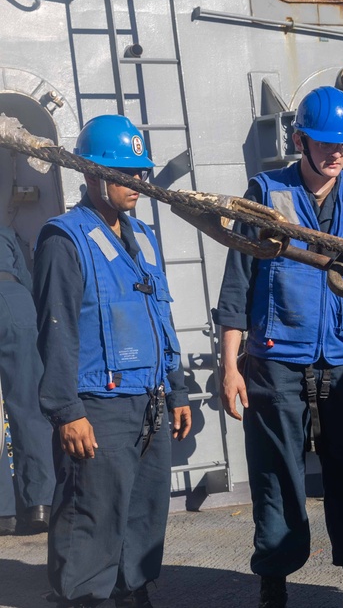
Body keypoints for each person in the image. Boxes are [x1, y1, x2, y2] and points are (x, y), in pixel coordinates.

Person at [216, 86, 343, 608]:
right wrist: (230, 365)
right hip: (276, 363)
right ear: (300, 139)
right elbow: (238, 283)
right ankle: (274, 584)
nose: (336, 153)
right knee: (276, 476)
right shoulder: (265, 195)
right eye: (325, 142)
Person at [33, 115, 191, 608]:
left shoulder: (144, 236)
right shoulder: (65, 239)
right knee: (90, 521)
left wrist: (177, 389)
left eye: (141, 172)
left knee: (144, 518)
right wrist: (67, 410)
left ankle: (134, 595)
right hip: (97, 408)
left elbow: (162, 318)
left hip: (150, 402)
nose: (138, 183)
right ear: (91, 173)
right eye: (126, 172)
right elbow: (56, 329)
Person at [0, 223, 53, 536]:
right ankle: (40, 504)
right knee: (29, 407)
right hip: (15, 303)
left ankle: (3, 513)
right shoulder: (6, 232)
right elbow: (29, 279)